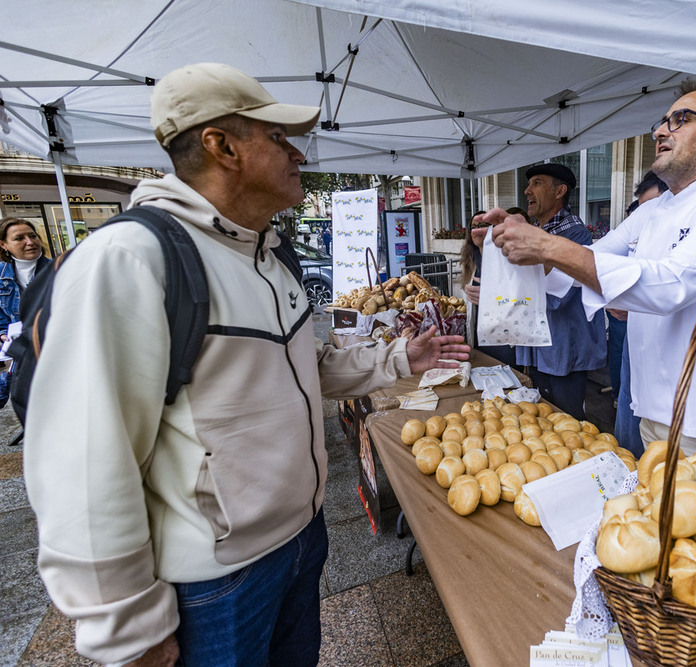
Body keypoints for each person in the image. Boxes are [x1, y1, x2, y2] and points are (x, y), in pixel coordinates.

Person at [23, 62, 469, 667]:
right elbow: (81, 459)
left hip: (301, 543)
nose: (298, 153)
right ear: (222, 146)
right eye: (278, 138)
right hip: (215, 581)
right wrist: (126, 628)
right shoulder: (129, 259)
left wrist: (397, 355)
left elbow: (301, 368)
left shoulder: (264, 253)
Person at [490, 81, 696, 476]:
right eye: (661, 122)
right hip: (653, 420)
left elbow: (671, 284)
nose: (661, 131)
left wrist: (546, 245)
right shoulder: (652, 211)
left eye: (680, 120)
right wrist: (513, 245)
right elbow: (581, 267)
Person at [494, 163, 606, 421]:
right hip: (539, 348)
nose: (527, 191)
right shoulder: (540, 233)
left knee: (567, 421)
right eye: (529, 184)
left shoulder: (575, 235)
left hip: (563, 349)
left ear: (560, 191)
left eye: (537, 183)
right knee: (542, 417)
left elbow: (559, 295)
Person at [610, 172, 668, 457]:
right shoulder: (640, 221)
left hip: (669, 365)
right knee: (628, 410)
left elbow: (675, 287)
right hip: (634, 346)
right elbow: (600, 257)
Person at [461, 208, 527, 367]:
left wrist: (491, 296)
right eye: (473, 227)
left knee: (508, 376)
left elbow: (522, 294)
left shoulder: (506, 256)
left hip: (503, 336)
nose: (477, 230)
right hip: (479, 332)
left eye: (483, 225)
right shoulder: (470, 259)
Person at [0, 217, 50, 409]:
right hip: (21, 350)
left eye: (32, 236)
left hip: (54, 346)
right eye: (19, 238)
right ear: (4, 244)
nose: (30, 242)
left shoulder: (58, 268)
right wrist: (4, 334)